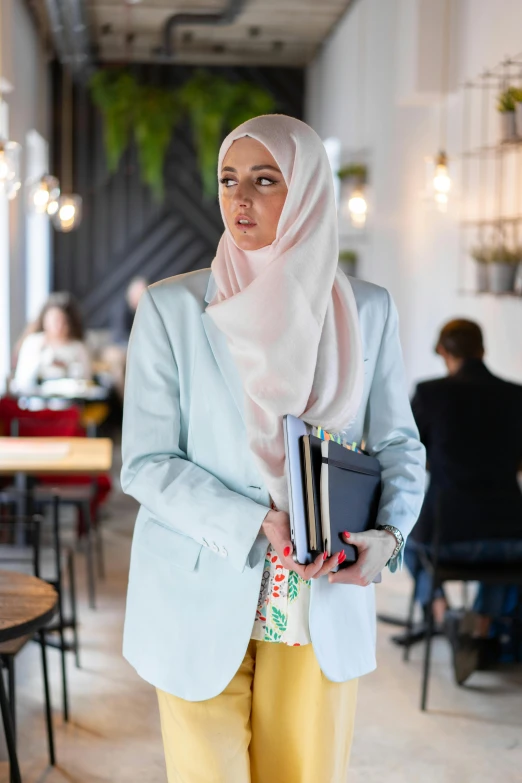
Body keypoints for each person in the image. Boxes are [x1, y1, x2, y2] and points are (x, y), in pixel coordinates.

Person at [121, 115, 425, 783]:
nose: (241, 199)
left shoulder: (367, 310)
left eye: (266, 180)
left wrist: (387, 537)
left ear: (310, 190)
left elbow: (401, 444)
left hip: (320, 589)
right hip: (199, 589)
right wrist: (252, 520)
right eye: (230, 180)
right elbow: (145, 461)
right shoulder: (172, 309)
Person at [404, 319, 522, 682]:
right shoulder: (517, 395)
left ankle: (443, 616)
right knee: (502, 563)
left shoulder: (430, 393)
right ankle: (482, 627)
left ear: (443, 351)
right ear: (482, 351)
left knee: (406, 543)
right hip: (511, 537)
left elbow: (408, 453)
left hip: (447, 538)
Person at [13, 292, 91, 392]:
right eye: (55, 320)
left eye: (63, 322)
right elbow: (22, 381)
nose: (58, 326)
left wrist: (69, 368)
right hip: (37, 401)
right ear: (45, 320)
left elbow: (86, 381)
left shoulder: (78, 347)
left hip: (69, 403)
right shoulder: (33, 343)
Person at [101, 276, 148, 400]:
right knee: (118, 363)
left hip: (138, 349)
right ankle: (125, 402)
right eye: (139, 294)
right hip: (119, 348)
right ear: (130, 294)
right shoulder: (120, 308)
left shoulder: (148, 311)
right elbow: (118, 336)